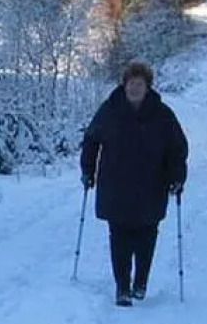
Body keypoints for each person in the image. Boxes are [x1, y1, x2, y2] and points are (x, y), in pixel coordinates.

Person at [80, 59, 189, 306]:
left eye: (139, 84)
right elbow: (91, 140)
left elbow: (177, 148)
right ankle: (122, 287)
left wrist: (178, 176)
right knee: (118, 235)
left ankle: (140, 282)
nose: (134, 89)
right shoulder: (109, 110)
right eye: (131, 83)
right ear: (125, 84)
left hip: (151, 185)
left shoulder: (163, 115)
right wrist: (87, 170)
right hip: (115, 184)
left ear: (147, 86)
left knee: (146, 236)